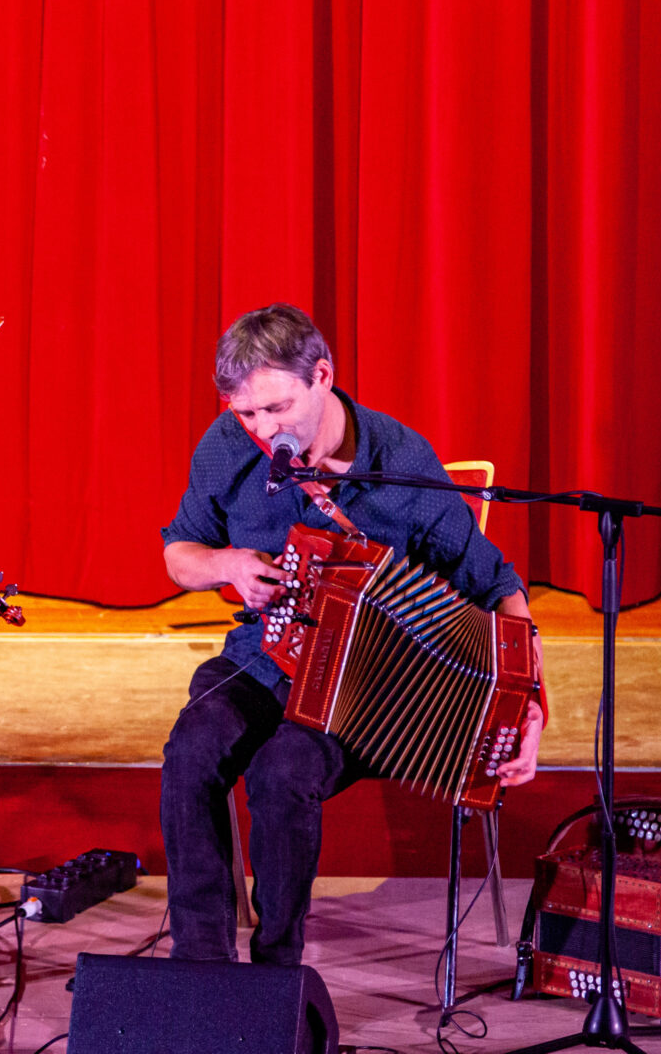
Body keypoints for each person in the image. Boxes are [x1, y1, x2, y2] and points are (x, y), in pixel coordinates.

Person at [159, 302, 547, 964]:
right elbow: (179, 554)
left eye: (277, 408)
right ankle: (200, 964)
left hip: (371, 693)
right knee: (192, 750)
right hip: (263, 658)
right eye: (246, 413)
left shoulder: (400, 460)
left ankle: (276, 970)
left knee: (282, 772)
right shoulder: (226, 446)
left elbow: (498, 587)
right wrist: (228, 565)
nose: (263, 429)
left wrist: (529, 704)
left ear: (322, 376)